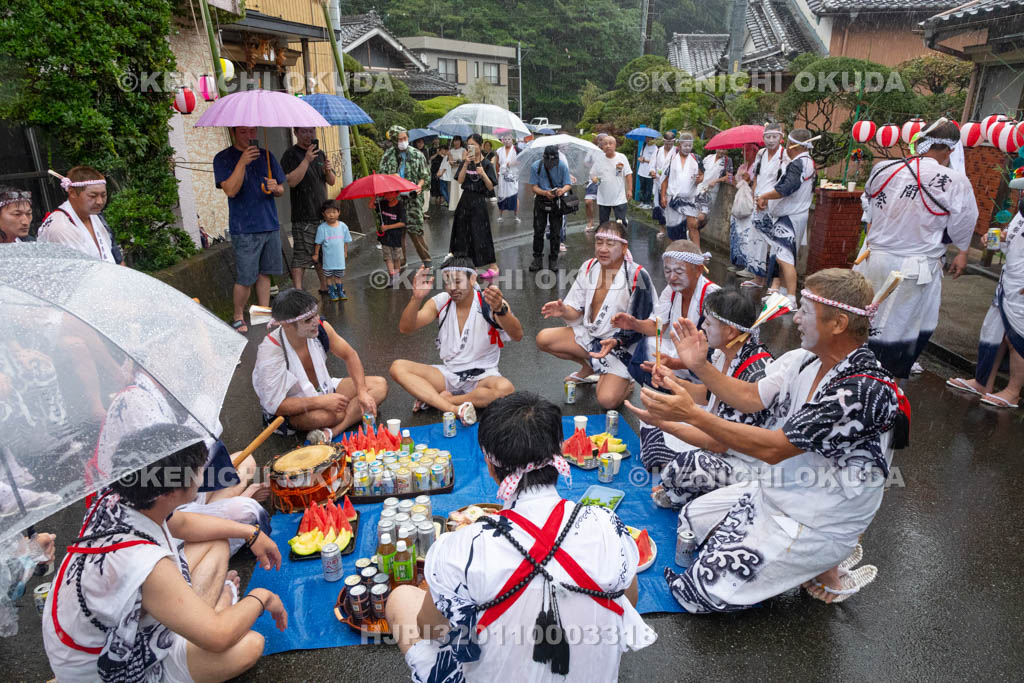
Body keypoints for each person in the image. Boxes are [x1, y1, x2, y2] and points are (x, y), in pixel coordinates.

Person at [631, 269, 907, 609]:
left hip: (818, 517)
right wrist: (700, 367)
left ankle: (826, 560)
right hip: (776, 488)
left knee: (702, 590)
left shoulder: (863, 392)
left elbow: (774, 448)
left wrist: (690, 414)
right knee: (691, 521)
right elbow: (750, 398)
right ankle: (806, 563)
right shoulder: (803, 360)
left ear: (837, 324)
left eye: (805, 310)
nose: (795, 317)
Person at [385, 392, 656, 682]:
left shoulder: (462, 547)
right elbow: (630, 599)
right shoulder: (607, 524)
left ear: (490, 467)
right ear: (560, 453)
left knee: (401, 598)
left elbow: (430, 630)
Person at [42, 429, 288, 682]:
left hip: (103, 630)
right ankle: (205, 618)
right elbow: (219, 637)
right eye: (198, 469)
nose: (203, 472)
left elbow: (182, 524)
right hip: (104, 669)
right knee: (249, 645)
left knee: (216, 543)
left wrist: (251, 533)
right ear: (169, 494)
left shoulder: (121, 494)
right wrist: (262, 597)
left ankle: (197, 620)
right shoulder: (143, 563)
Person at [855, 119, 978, 379]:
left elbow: (869, 201)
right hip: (914, 266)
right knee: (898, 326)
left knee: (868, 317)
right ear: (948, 150)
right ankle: (879, 380)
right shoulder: (955, 180)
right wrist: (962, 249)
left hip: (874, 258)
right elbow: (962, 225)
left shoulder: (883, 168)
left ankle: (857, 370)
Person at [630, 288, 774, 508]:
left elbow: (719, 443)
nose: (702, 328)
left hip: (745, 462)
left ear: (730, 332)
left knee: (688, 463)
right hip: (714, 437)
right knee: (651, 424)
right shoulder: (723, 352)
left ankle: (687, 488)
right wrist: (672, 380)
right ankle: (684, 484)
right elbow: (706, 396)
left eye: (708, 323)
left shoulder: (755, 372)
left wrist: (664, 423)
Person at [536, 221, 655, 409]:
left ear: (624, 247)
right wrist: (564, 311)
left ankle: (627, 382)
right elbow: (576, 309)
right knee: (543, 339)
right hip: (592, 336)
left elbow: (648, 325)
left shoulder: (637, 276)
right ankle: (590, 367)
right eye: (599, 242)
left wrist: (618, 340)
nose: (603, 249)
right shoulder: (590, 266)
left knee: (606, 401)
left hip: (621, 345)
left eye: (610, 243)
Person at [391, 257, 523, 425]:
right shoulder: (441, 301)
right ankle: (452, 408)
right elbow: (406, 328)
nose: (452, 287)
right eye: (447, 282)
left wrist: (500, 310)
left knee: (505, 389)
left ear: (473, 279)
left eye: (458, 281)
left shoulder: (490, 301)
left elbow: (517, 335)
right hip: (449, 373)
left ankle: (441, 400)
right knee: (398, 367)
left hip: (482, 377)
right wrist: (416, 298)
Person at [252, 288, 388, 442]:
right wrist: (321, 402)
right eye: (308, 320)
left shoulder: (321, 327)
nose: (316, 322)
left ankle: (333, 431)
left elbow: (350, 355)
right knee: (329, 415)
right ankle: (342, 417)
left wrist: (362, 392)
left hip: (325, 388)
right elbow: (276, 406)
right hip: (292, 408)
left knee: (379, 385)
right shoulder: (270, 352)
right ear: (287, 325)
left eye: (315, 314)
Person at [948, 204, 1024, 408]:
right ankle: (983, 382)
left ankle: (1013, 392)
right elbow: (1014, 242)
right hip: (1009, 281)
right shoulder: (1020, 213)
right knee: (993, 332)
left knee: (1016, 337)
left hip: (1021, 286)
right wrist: (1000, 240)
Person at [614, 239, 719, 388]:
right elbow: (656, 328)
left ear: (699, 270)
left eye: (679, 271)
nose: (672, 277)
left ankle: (696, 398)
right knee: (647, 345)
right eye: (667, 271)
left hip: (708, 364)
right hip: (682, 355)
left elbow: (715, 353)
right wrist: (633, 323)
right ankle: (672, 392)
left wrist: (675, 363)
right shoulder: (671, 291)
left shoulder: (713, 297)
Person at [212, 126, 286, 334]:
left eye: (253, 131)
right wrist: (242, 162)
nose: (250, 136)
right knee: (246, 277)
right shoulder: (223, 158)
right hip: (244, 227)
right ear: (234, 132)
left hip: (269, 223)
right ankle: (237, 316)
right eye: (244, 132)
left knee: (265, 274)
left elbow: (281, 188)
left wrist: (275, 188)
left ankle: (262, 314)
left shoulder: (267, 156)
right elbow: (230, 190)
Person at [753, 129, 817, 307]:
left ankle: (791, 298)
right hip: (794, 214)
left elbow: (785, 189)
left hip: (790, 215)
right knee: (782, 254)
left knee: (784, 258)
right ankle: (782, 293)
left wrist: (764, 196)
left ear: (794, 145)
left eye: (788, 143)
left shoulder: (798, 164)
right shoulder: (808, 162)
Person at [281, 126, 336, 294]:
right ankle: (298, 289)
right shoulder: (290, 155)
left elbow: (332, 181)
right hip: (303, 214)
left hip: (323, 213)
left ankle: (324, 286)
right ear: (296, 133)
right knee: (301, 254)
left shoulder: (320, 153)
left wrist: (328, 170)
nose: (308, 135)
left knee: (322, 253)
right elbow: (291, 181)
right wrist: (306, 160)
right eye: (304, 132)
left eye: (311, 131)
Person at [736, 124, 787, 288]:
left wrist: (767, 198)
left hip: (774, 204)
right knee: (756, 241)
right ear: (763, 138)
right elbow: (757, 176)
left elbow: (783, 182)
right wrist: (754, 195)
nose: (771, 140)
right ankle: (758, 278)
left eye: (775, 136)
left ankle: (776, 283)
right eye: (768, 136)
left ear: (781, 137)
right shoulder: (761, 154)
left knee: (775, 244)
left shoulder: (784, 156)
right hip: (758, 201)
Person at [38, 167, 123, 264]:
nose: (100, 202)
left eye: (103, 195)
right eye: (93, 196)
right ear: (72, 192)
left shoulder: (95, 215)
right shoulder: (60, 227)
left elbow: (116, 255)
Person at [380, 126, 433, 267]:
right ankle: (401, 261)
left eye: (405, 138)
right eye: (399, 139)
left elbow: (425, 175)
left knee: (416, 230)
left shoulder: (417, 155)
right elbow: (382, 178)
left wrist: (419, 186)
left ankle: (427, 261)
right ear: (393, 140)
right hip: (395, 199)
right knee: (397, 232)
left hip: (413, 198)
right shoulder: (387, 156)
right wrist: (393, 177)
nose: (403, 141)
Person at [449, 133, 499, 276]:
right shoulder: (467, 161)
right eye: (468, 144)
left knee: (481, 234)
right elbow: (459, 180)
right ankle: (469, 263)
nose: (470, 147)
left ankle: (493, 266)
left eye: (473, 145)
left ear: (481, 145)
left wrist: (483, 173)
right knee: (463, 232)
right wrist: (465, 163)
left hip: (479, 201)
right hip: (465, 200)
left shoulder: (487, 164)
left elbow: (490, 187)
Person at [528, 145, 572, 272]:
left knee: (556, 232)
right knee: (538, 231)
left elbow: (568, 184)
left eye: (553, 162)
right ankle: (537, 259)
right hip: (541, 200)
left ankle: (553, 259)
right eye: (548, 162)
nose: (550, 165)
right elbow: (533, 187)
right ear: (544, 158)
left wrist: (561, 190)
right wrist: (544, 192)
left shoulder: (562, 166)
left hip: (557, 202)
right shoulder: (536, 166)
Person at [660, 132, 703, 245]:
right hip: (673, 198)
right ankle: (673, 252)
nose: (687, 148)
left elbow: (701, 175)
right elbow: (665, 179)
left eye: (690, 146)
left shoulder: (696, 159)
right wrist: (663, 196)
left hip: (689, 199)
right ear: (679, 145)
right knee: (673, 228)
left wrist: (699, 179)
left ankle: (697, 253)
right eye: (685, 145)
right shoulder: (671, 159)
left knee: (693, 226)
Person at [312, 199, 353, 302]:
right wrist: (316, 254)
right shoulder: (322, 228)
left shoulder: (343, 226)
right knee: (329, 277)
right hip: (328, 260)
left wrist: (345, 251)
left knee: (338, 277)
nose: (331, 215)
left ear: (339, 212)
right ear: (323, 214)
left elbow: (346, 241)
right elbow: (318, 243)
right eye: (328, 212)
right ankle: (332, 292)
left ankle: (340, 292)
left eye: (334, 212)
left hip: (339, 259)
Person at [591, 135, 632, 225]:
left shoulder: (622, 157)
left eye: (610, 143)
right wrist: (597, 181)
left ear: (615, 145)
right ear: (602, 146)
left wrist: (629, 190)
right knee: (603, 223)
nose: (608, 146)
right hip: (603, 198)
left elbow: (628, 174)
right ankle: (605, 238)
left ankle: (621, 238)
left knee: (621, 223)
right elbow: (592, 175)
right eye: (605, 144)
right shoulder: (599, 159)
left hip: (619, 197)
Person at [371, 191, 407, 288]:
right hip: (385, 237)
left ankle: (396, 276)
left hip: (396, 236)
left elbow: (403, 223)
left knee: (396, 258)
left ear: (396, 193)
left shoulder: (400, 205)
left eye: (392, 193)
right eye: (387, 194)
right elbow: (371, 206)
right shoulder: (382, 203)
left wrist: (388, 227)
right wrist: (374, 196)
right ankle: (392, 278)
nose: (389, 196)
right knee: (388, 258)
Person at [696, 148, 733, 232]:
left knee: (703, 216)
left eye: (724, 150)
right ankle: (693, 234)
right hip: (700, 189)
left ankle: (693, 232)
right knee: (696, 214)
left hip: (711, 192)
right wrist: (697, 178)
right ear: (716, 148)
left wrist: (716, 181)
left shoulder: (727, 161)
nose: (721, 151)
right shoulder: (708, 158)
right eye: (720, 149)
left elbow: (729, 177)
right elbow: (700, 171)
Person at [651, 132, 676, 232]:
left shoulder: (677, 152)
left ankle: (671, 229)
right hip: (658, 182)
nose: (669, 145)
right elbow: (652, 166)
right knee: (659, 207)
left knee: (670, 208)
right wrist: (652, 172)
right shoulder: (657, 151)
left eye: (671, 143)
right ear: (663, 141)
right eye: (666, 143)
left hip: (671, 184)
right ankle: (662, 229)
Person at [583, 132, 607, 231]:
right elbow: (585, 162)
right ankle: (590, 221)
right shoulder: (593, 150)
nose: (602, 142)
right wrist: (593, 166)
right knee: (588, 201)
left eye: (604, 140)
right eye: (600, 140)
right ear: (597, 140)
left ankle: (604, 224)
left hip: (606, 180)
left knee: (605, 204)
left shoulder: (609, 150)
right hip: (593, 179)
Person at [494, 133, 520, 223]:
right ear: (502, 140)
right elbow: (497, 163)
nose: (507, 141)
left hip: (513, 176)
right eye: (505, 139)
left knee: (514, 194)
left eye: (509, 139)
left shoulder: (517, 149)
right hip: (502, 175)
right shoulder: (499, 151)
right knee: (501, 195)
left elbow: (521, 161)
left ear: (512, 140)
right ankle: (500, 215)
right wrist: (497, 174)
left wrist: (512, 163)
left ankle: (516, 215)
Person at [442, 136, 466, 212]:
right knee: (453, 189)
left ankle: (462, 208)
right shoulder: (450, 151)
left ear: (460, 141)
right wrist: (454, 162)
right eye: (455, 141)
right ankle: (454, 207)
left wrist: (459, 162)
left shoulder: (464, 150)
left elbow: (464, 161)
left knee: (460, 189)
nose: (456, 142)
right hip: (453, 172)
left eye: (458, 140)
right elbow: (451, 163)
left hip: (461, 172)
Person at [636, 135, 658, 209]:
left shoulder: (655, 148)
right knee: (642, 187)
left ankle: (647, 203)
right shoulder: (644, 145)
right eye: (646, 138)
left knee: (649, 188)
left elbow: (655, 161)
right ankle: (642, 201)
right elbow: (641, 156)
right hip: (641, 170)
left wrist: (644, 160)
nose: (647, 139)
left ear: (653, 139)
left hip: (649, 172)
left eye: (649, 138)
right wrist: (640, 159)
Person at [413, 137, 433, 216]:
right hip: (416, 176)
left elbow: (427, 164)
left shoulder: (425, 151)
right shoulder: (413, 152)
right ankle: (417, 211)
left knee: (426, 194)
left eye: (422, 142)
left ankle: (424, 211)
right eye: (418, 142)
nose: (420, 144)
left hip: (425, 175)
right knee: (418, 193)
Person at [430, 143, 448, 207]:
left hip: (441, 173)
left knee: (441, 187)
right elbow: (430, 158)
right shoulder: (435, 153)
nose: (443, 151)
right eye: (442, 149)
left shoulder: (445, 156)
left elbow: (445, 161)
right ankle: (437, 199)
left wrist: (441, 154)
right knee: (435, 186)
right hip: (434, 172)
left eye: (444, 149)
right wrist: (437, 154)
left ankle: (443, 200)